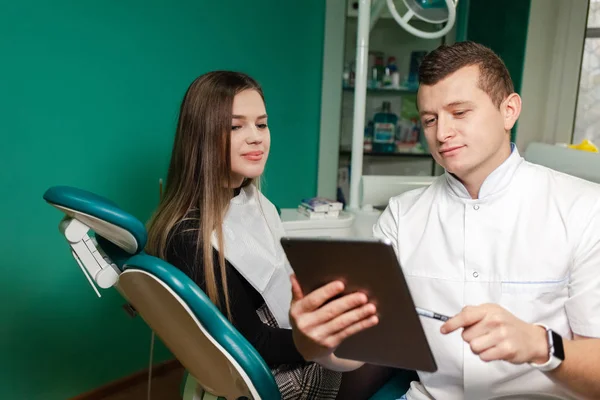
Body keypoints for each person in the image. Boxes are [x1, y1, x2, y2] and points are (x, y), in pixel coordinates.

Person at [288, 41, 600, 400]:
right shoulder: (402, 216)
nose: (442, 133)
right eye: (430, 120)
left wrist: (540, 344)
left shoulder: (584, 209)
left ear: (509, 110)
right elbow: (359, 352)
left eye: (460, 112)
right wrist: (313, 343)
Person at [145, 71, 394, 399]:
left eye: (261, 124)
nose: (256, 137)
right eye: (236, 126)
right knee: (396, 344)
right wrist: (326, 340)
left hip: (287, 349)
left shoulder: (247, 199)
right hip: (275, 379)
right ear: (201, 137)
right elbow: (256, 343)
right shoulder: (191, 237)